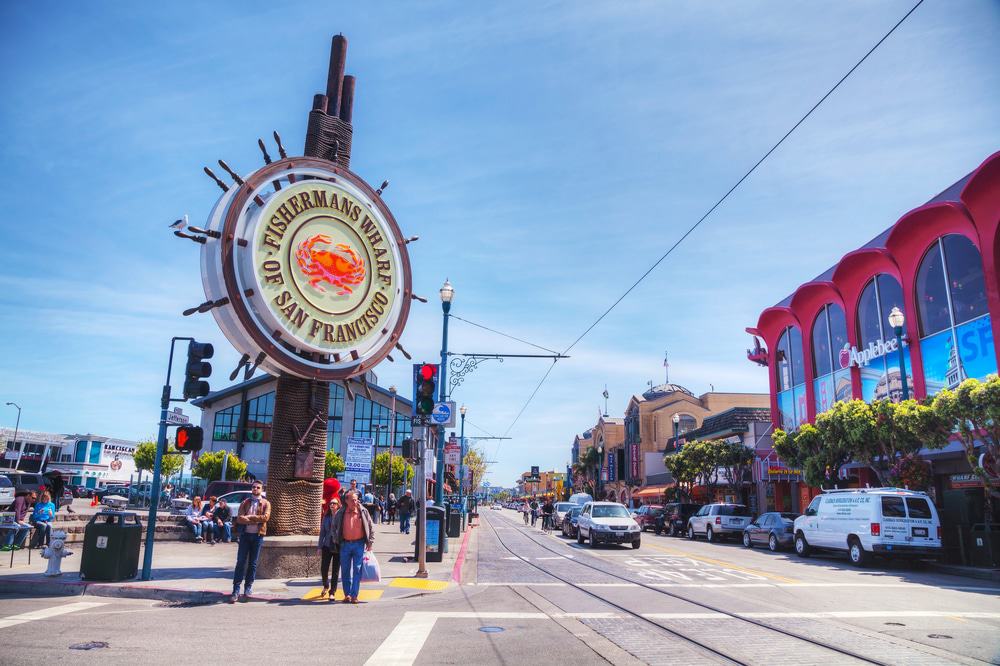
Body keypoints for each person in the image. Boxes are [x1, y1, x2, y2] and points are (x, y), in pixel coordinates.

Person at [231, 481, 270, 603]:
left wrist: (249, 518)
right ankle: (236, 590)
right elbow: (240, 518)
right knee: (240, 562)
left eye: (258, 487)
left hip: (258, 536)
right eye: (253, 487)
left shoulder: (266, 503)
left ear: (261, 489)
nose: (255, 489)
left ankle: (248, 587)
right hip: (245, 536)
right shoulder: (245, 502)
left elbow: (265, 518)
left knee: (253, 563)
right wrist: (254, 520)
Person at [332, 490, 374, 604]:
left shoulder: (363, 511)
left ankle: (354, 595)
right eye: (352, 500)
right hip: (345, 544)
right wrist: (336, 540)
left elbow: (370, 527)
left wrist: (370, 542)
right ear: (346, 501)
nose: (355, 502)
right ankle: (347, 595)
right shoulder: (341, 513)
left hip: (359, 544)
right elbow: (333, 527)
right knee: (345, 571)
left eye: (356, 500)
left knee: (357, 569)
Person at [317, 496, 342, 601]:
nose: (332, 505)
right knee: (324, 568)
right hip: (327, 545)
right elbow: (322, 532)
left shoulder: (341, 516)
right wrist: (319, 547)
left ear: (338, 505)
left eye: (334, 503)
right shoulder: (326, 517)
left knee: (335, 570)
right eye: (331, 503)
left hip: (337, 545)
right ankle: (326, 585)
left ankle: (332, 592)